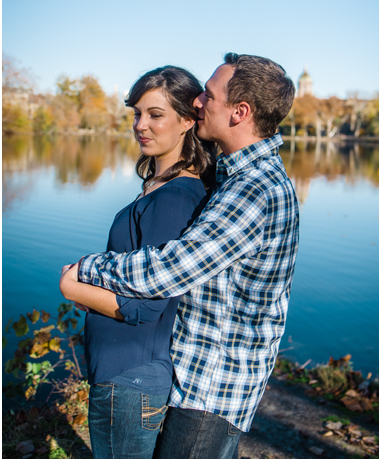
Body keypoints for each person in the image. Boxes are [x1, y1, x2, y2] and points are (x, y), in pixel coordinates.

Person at [61, 53, 299, 458]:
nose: (199, 103)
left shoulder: (254, 189)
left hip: (212, 386)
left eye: (208, 95)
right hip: (192, 378)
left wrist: (82, 273)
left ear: (240, 112)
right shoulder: (236, 179)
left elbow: (168, 272)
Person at [59, 66, 215, 459]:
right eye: (137, 113)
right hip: (126, 376)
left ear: (186, 122)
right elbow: (134, 282)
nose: (140, 125)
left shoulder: (176, 198)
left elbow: (146, 307)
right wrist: (91, 294)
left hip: (130, 380)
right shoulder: (161, 188)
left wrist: (73, 286)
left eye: (155, 114)